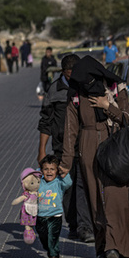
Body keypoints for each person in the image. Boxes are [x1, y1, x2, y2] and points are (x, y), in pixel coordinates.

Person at [61, 57, 129, 258]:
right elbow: (70, 131)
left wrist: (108, 106)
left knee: (116, 199)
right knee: (96, 199)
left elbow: (127, 120)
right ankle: (105, 247)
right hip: (88, 148)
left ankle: (120, 246)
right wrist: (66, 162)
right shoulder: (76, 96)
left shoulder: (115, 88)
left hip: (114, 147)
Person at [37, 54, 92, 242]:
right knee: (68, 188)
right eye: (69, 75)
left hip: (84, 145)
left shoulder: (86, 86)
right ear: (63, 73)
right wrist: (42, 150)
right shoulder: (54, 90)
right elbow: (46, 121)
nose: (72, 79)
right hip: (61, 148)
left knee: (83, 186)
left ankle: (85, 226)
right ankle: (74, 225)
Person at [35, 154, 72, 258]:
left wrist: (64, 172)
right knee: (43, 237)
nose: (49, 172)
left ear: (57, 170)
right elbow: (30, 180)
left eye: (52, 169)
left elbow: (68, 183)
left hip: (55, 216)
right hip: (40, 216)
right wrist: (38, 172)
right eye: (46, 169)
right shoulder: (39, 182)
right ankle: (49, 248)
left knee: (53, 237)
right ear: (41, 170)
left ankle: (54, 255)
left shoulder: (59, 182)